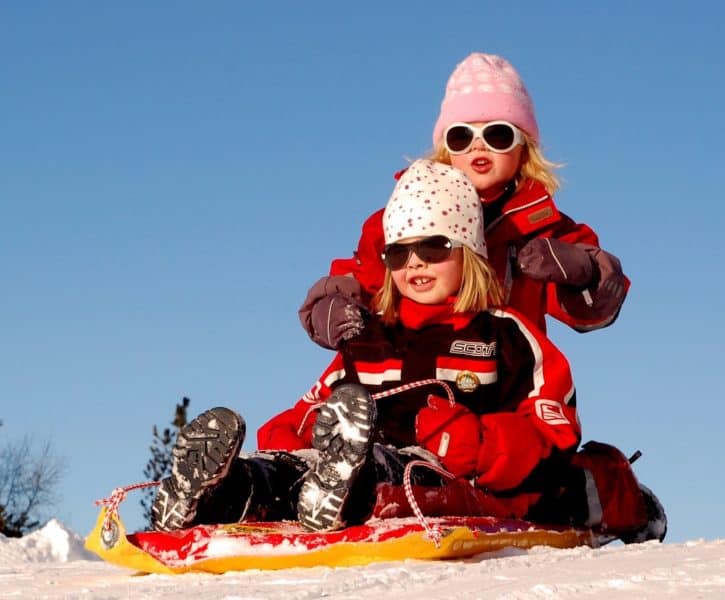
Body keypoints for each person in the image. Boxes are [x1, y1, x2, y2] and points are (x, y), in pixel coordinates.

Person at [151, 160, 665, 543]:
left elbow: (553, 434)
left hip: (444, 475)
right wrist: (293, 437)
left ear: (469, 254)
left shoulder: (505, 335)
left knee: (392, 475)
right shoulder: (371, 338)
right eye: (399, 252)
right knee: (290, 471)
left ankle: (339, 486)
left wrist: (478, 442)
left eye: (435, 247)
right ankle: (223, 491)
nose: (415, 262)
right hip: (346, 463)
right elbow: (308, 409)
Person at [299, 52, 629, 352]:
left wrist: (583, 271)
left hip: (508, 376)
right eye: (462, 136)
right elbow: (364, 277)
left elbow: (592, 312)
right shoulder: (405, 218)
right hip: (416, 369)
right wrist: (333, 305)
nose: (478, 146)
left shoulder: (545, 229)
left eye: (498, 134)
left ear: (524, 147)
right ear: (447, 148)